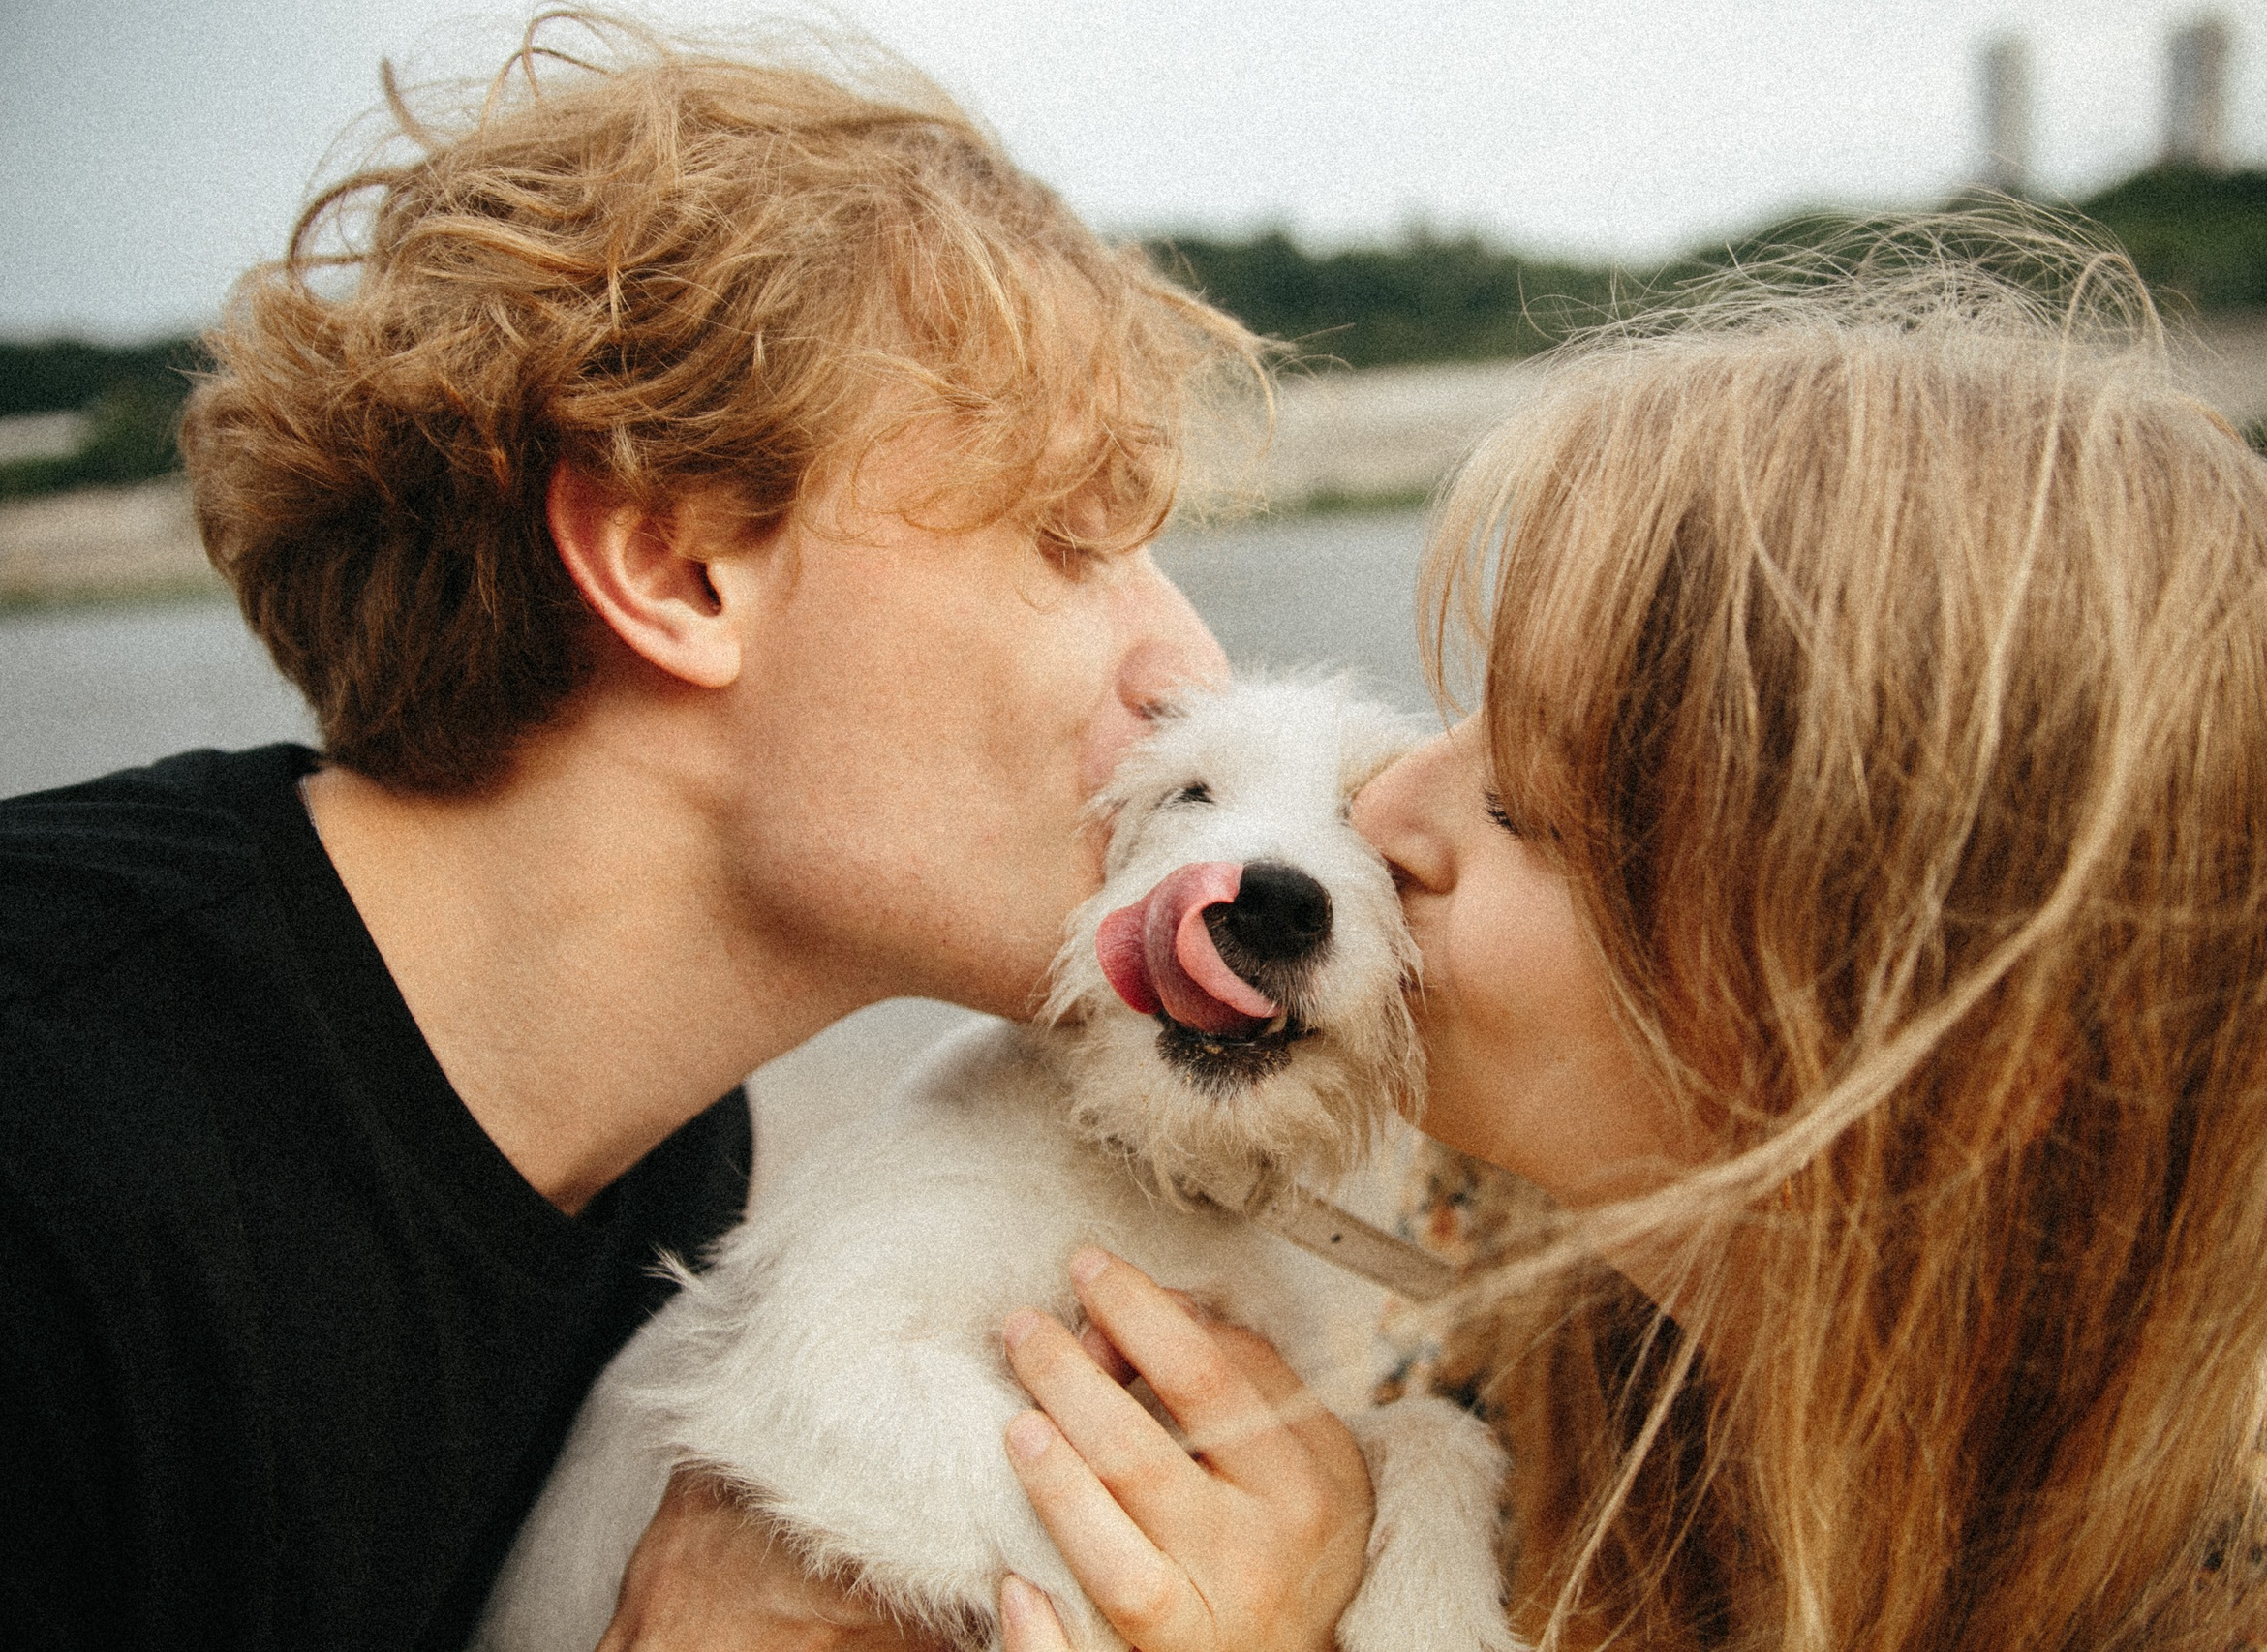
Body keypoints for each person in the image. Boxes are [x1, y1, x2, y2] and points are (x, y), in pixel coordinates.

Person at [0, 13, 1377, 1650]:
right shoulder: (52, 1147)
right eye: (1073, 536)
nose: (1190, 671)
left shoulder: (666, 1152)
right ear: (673, 569)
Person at [989, 229, 2267, 1651]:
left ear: (1930, 1056)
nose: (1382, 811)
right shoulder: (1489, 1234)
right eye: (1469, 716)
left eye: (1529, 807)